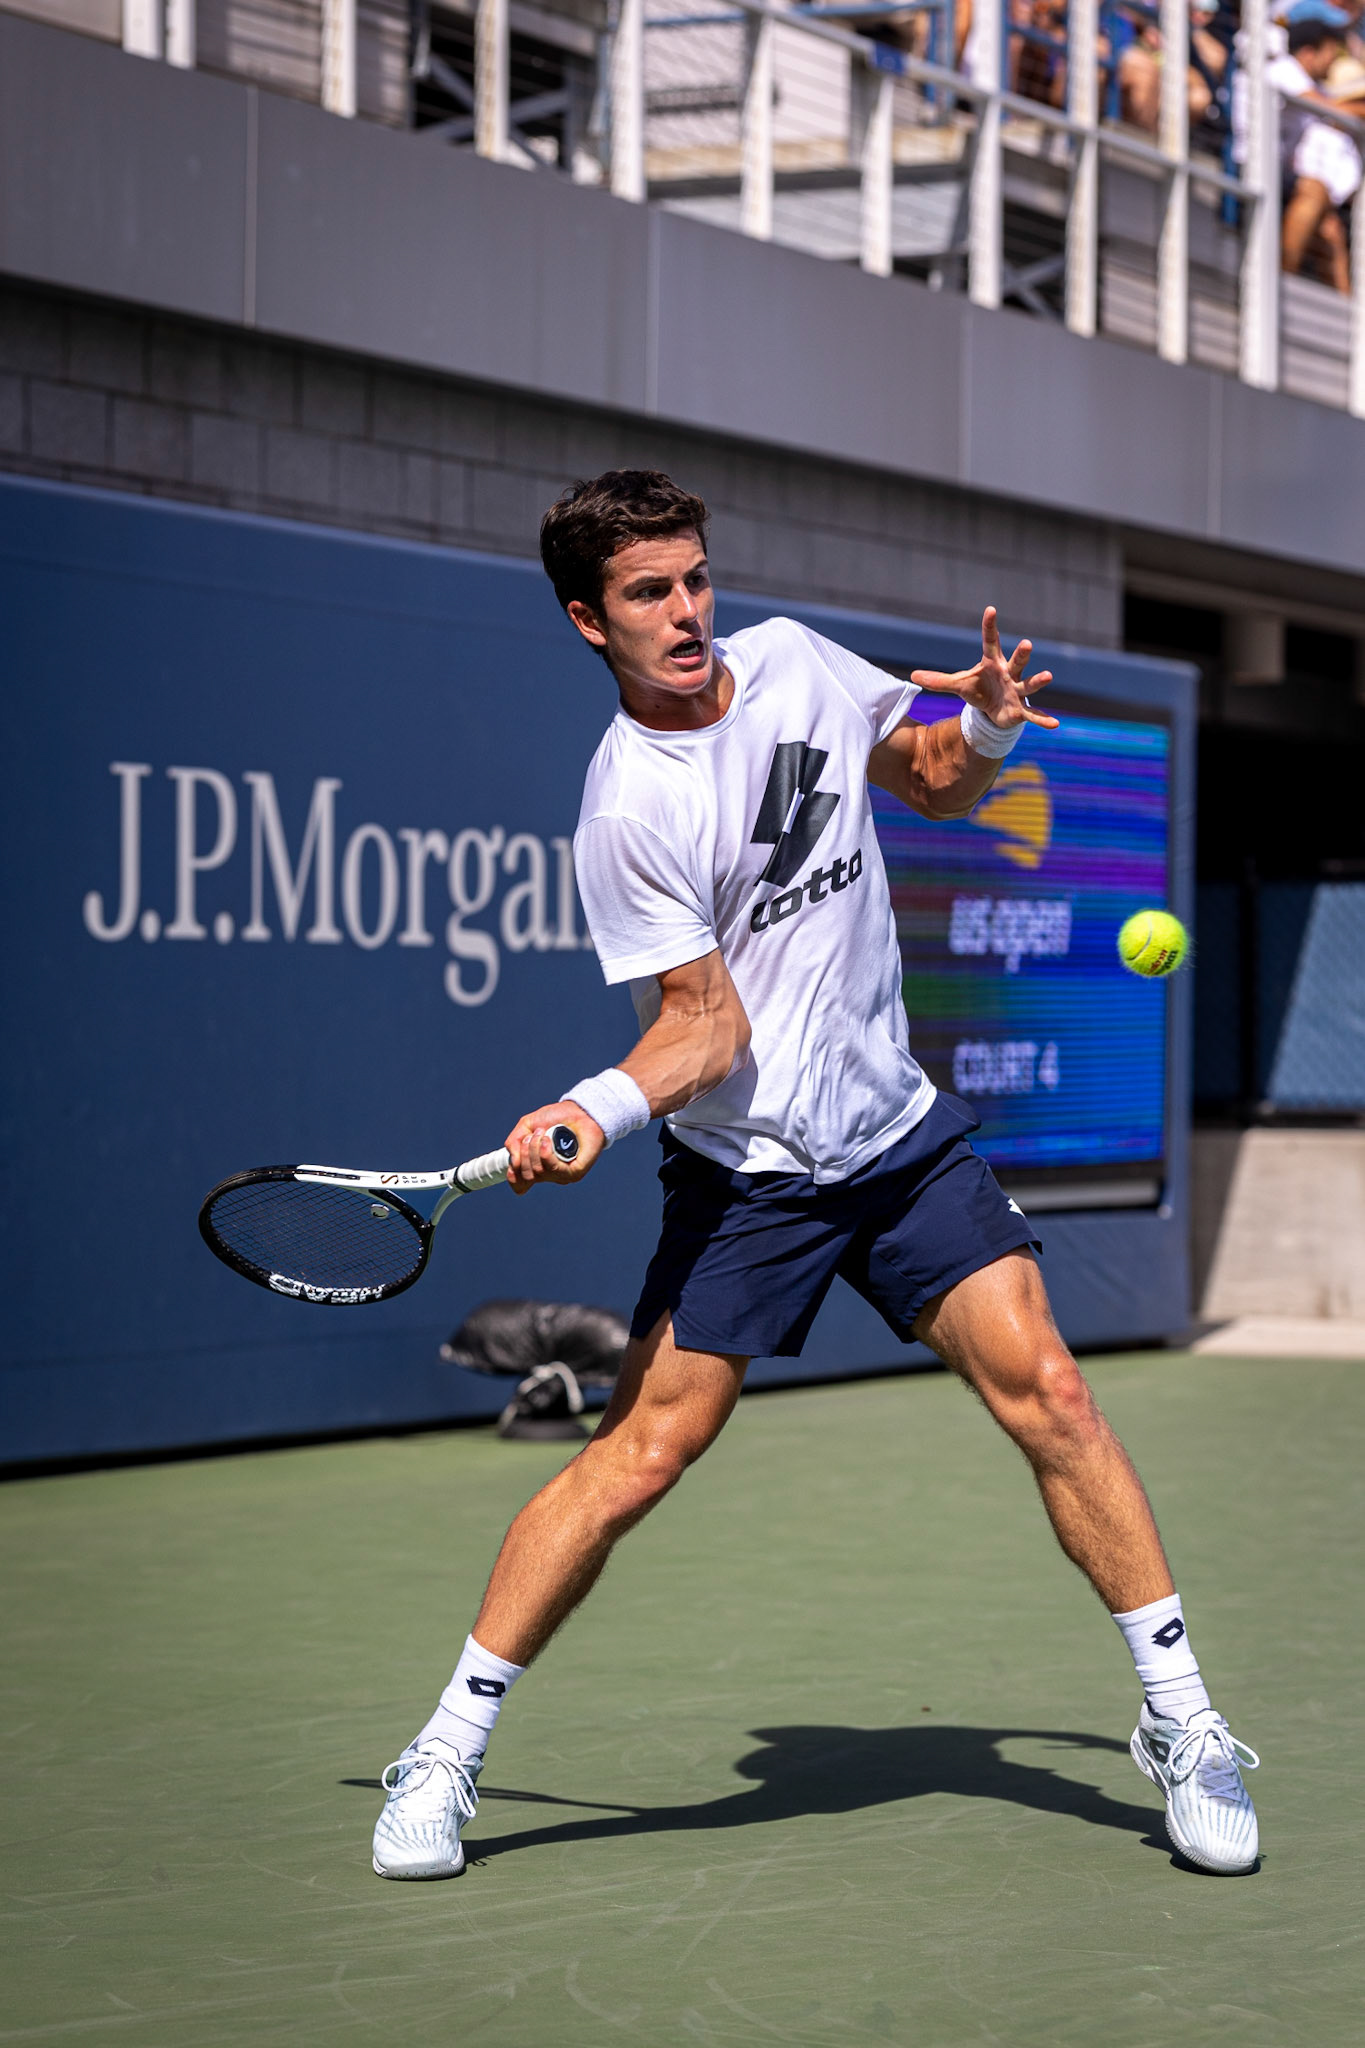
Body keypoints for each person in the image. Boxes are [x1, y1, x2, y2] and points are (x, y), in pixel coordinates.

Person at [370, 469, 1260, 1883]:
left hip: (897, 1140)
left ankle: (1185, 1721)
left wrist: (983, 723)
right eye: (647, 594)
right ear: (589, 622)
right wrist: (600, 1105)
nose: (685, 612)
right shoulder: (628, 807)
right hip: (751, 1180)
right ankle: (446, 1748)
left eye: (692, 578)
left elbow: (931, 782)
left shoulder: (791, 660)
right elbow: (705, 1029)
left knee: (1053, 1389)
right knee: (638, 1456)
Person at [1269, 4, 1361, 290]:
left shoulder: (1311, 83)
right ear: (1309, 52)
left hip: (1281, 172)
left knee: (1331, 230)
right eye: (1331, 52)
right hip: (1257, 166)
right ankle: (1277, 281)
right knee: (1315, 190)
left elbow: (1337, 114)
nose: (1333, 60)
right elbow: (1330, 110)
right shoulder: (1284, 69)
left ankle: (1348, 311)